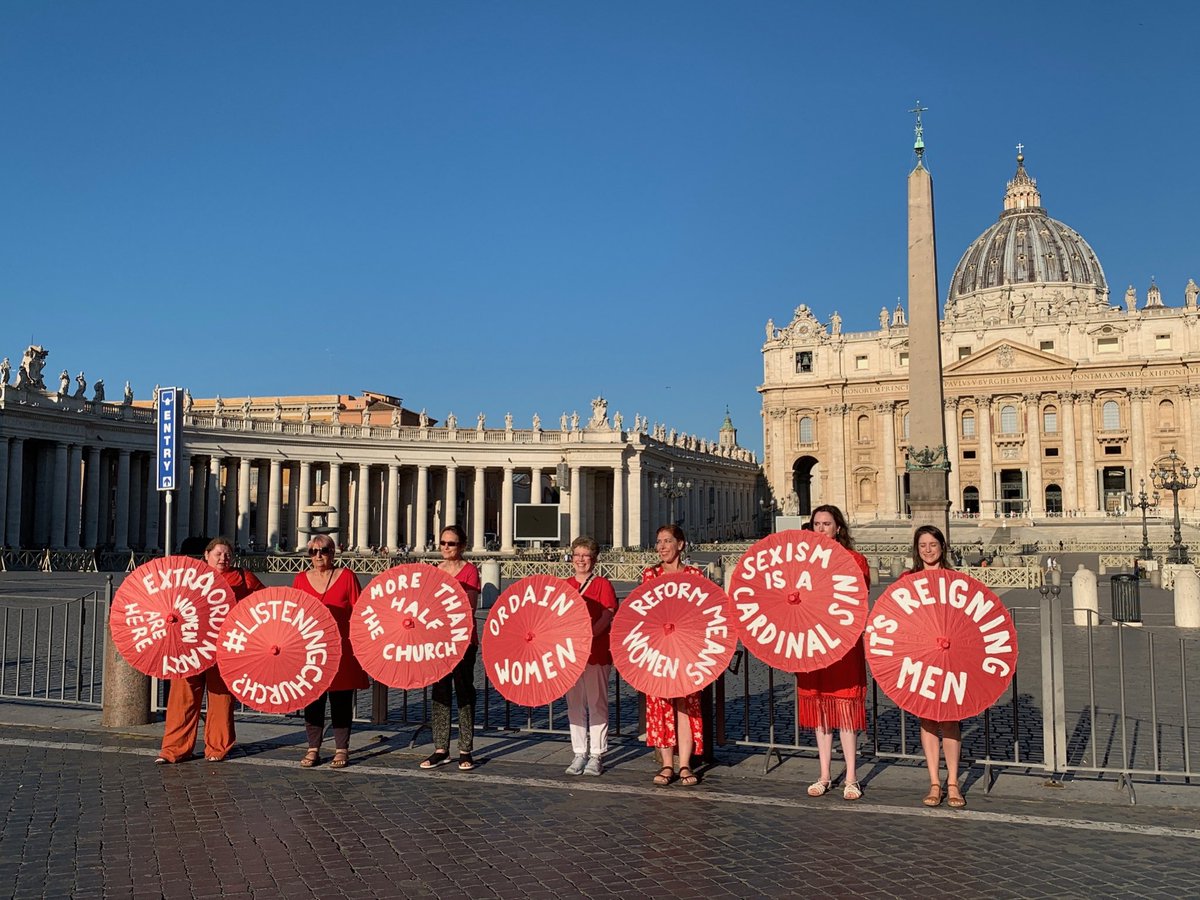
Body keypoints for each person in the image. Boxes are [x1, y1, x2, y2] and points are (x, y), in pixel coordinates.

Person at [156, 538, 264, 764]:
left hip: (224, 648)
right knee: (182, 700)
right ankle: (174, 750)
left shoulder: (243, 577)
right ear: (206, 555)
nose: (224, 558)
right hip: (190, 647)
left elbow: (263, 602)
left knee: (221, 700)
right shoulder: (191, 576)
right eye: (218, 554)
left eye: (227, 554)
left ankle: (218, 748)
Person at [800, 505, 869, 801]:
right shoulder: (801, 562)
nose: (821, 529)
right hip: (812, 644)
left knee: (845, 710)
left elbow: (858, 599)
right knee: (820, 712)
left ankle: (851, 776)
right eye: (816, 524)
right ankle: (825, 774)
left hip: (843, 644)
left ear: (838, 527)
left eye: (826, 524)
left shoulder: (855, 561)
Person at [292, 534, 366, 769]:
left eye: (323, 550)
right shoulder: (301, 580)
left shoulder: (347, 577)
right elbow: (294, 614)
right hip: (312, 650)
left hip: (342, 648)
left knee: (341, 699)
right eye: (313, 551)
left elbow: (360, 611)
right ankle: (313, 746)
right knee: (313, 699)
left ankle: (341, 748)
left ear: (334, 552)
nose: (318, 555)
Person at [909, 524, 966, 809]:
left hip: (950, 657)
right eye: (923, 545)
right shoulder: (908, 580)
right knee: (927, 719)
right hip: (922, 657)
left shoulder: (956, 580)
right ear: (917, 550)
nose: (928, 550)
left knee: (951, 719)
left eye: (933, 544)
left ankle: (953, 782)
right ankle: (934, 781)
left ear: (942, 546)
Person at [642, 524, 703, 787]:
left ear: (680, 544)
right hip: (658, 648)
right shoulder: (650, 575)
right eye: (658, 542)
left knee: (686, 706)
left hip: (687, 649)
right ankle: (668, 763)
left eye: (667, 541)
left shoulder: (695, 574)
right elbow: (642, 611)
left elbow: (703, 610)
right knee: (661, 706)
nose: (662, 547)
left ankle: (685, 763)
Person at [420, 525, 482, 771]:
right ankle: (440, 748)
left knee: (465, 693)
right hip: (438, 642)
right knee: (440, 693)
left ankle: (465, 749)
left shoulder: (469, 571)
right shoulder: (433, 571)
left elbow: (468, 607)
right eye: (443, 543)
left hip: (463, 640)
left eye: (452, 544)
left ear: (462, 546)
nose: (446, 547)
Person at [562, 536, 619, 777]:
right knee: (574, 704)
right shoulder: (564, 584)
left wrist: (588, 636)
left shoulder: (602, 584)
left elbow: (607, 616)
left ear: (593, 559)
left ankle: (596, 754)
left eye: (586, 555)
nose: (581, 560)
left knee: (596, 703)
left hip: (595, 650)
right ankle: (578, 752)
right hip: (571, 653)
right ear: (571, 558)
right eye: (577, 555)